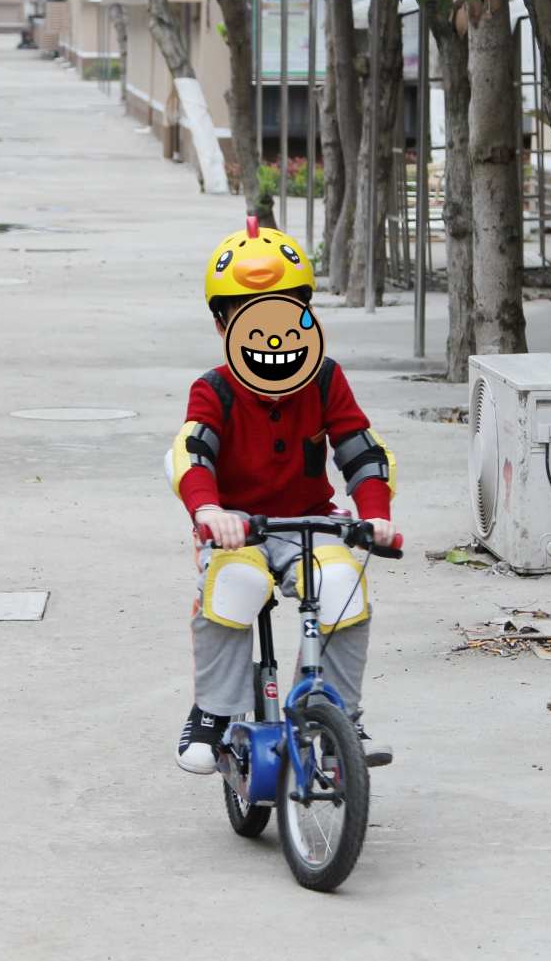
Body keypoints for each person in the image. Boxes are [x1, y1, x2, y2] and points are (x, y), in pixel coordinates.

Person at [167, 218, 399, 775]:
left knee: (345, 587)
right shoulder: (215, 389)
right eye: (248, 317)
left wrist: (376, 515)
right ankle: (214, 711)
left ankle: (335, 713)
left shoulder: (324, 380)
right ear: (222, 324)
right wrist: (209, 510)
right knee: (237, 585)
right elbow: (191, 453)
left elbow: (362, 451)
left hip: (310, 523)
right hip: (237, 528)